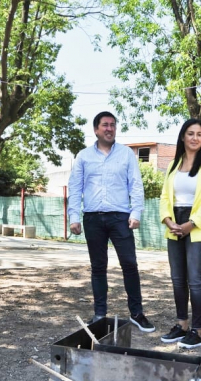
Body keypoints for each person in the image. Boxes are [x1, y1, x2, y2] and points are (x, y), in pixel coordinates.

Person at [68, 111, 155, 332]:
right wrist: (74, 217)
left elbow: (136, 185)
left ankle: (136, 313)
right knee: (98, 267)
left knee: (130, 264)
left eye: (113, 125)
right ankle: (99, 314)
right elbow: (76, 187)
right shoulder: (83, 156)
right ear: (96, 129)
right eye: (105, 125)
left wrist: (136, 213)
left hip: (120, 218)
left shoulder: (126, 154)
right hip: (93, 218)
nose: (109, 128)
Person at [159, 119, 201, 349]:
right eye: (190, 133)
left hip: (199, 227)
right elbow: (165, 197)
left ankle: (197, 329)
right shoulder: (173, 165)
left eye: (199, 134)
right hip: (174, 224)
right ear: (183, 137)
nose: (195, 138)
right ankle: (181, 325)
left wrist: (190, 224)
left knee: (195, 280)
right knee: (177, 280)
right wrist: (168, 220)